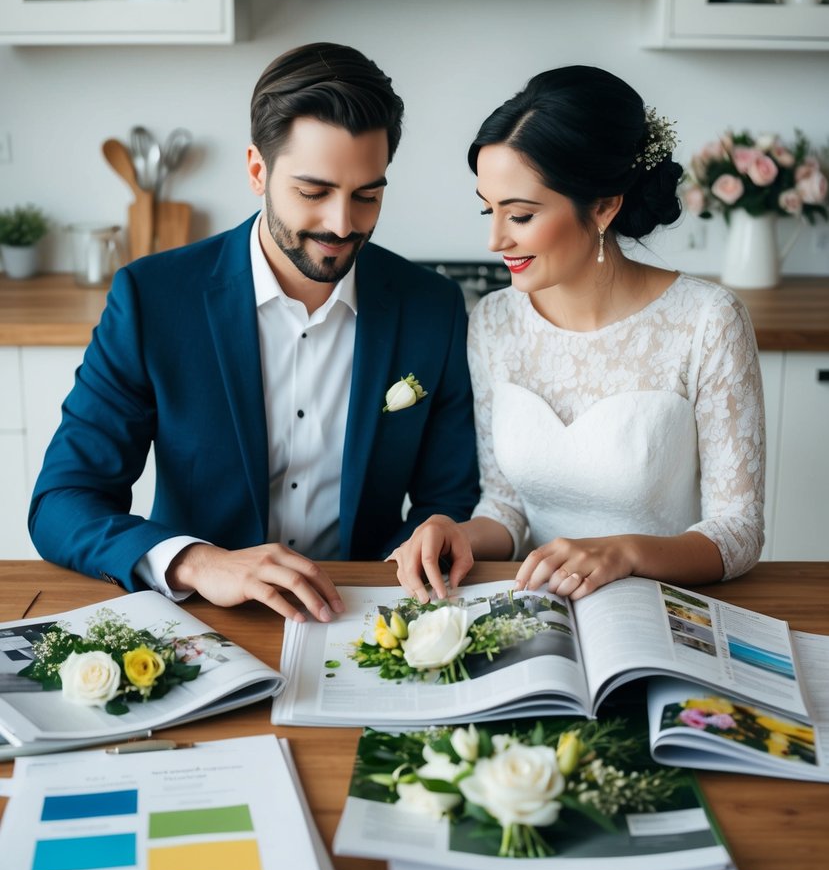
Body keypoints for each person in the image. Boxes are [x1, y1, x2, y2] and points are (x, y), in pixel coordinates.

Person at [29, 43, 478, 623]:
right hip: (203, 621)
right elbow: (63, 502)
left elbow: (450, 498)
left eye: (367, 195)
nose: (342, 225)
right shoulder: (152, 299)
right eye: (313, 193)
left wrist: (435, 533)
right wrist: (197, 562)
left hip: (371, 615)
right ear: (257, 170)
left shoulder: (432, 307)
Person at [391, 64, 765, 603]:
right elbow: (507, 507)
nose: (495, 239)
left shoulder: (708, 320)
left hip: (661, 609)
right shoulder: (495, 322)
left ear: (604, 206)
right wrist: (457, 532)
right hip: (538, 607)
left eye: (519, 215)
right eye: (487, 209)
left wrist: (625, 553)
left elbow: (739, 531)